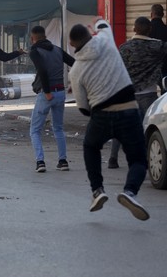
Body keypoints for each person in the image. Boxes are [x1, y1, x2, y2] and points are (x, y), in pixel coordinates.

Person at [69, 19, 150, 221]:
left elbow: (82, 107)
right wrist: (96, 25)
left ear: (72, 45)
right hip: (129, 110)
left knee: (91, 146)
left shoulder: (75, 71)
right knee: (138, 159)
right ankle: (130, 192)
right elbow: (104, 23)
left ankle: (97, 191)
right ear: (90, 35)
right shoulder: (106, 40)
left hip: (101, 115)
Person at [109, 17, 167, 168]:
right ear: (150, 29)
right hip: (148, 94)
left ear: (134, 29)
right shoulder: (158, 46)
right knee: (147, 127)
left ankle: (113, 159)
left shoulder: (123, 48)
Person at [27, 25, 75, 172]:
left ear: (33, 38)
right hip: (60, 92)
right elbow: (74, 63)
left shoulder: (35, 51)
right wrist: (74, 82)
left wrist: (47, 91)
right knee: (58, 128)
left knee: (35, 130)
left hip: (46, 94)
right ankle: (63, 161)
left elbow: (42, 70)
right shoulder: (57, 49)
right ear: (45, 35)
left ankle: (40, 162)